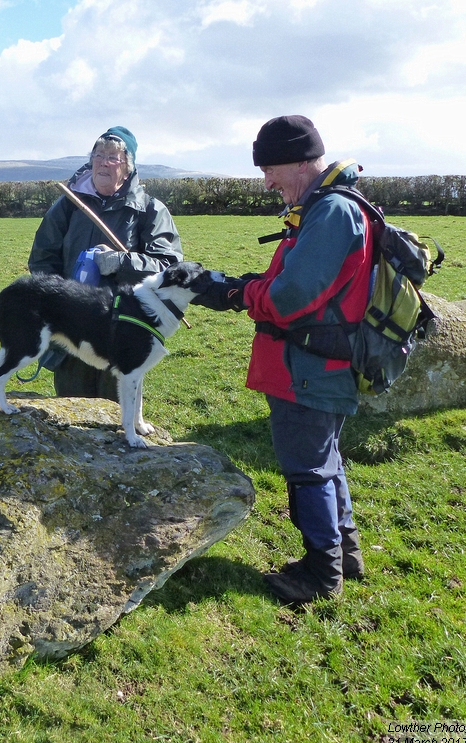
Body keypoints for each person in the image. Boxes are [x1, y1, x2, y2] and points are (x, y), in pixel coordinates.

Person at [190, 115, 374, 604]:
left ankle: (320, 572)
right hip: (316, 366)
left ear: (301, 161)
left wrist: (235, 292)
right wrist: (234, 287)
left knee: (307, 469)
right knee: (325, 462)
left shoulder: (331, 212)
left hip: (310, 370)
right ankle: (344, 553)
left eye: (271, 168)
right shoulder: (321, 209)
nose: (267, 181)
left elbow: (291, 296)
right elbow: (290, 282)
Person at [28, 126, 183, 399]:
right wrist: (62, 301)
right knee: (72, 412)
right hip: (74, 329)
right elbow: (42, 258)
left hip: (124, 328)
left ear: (128, 166)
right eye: (98, 155)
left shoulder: (149, 209)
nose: (103, 162)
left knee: (116, 415)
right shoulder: (68, 204)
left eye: (113, 157)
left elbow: (168, 267)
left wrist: (121, 262)